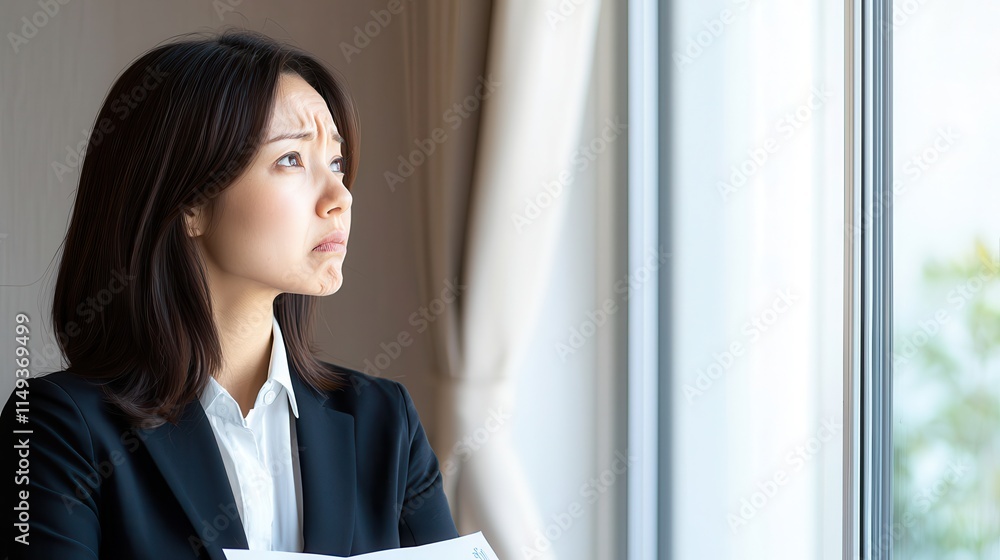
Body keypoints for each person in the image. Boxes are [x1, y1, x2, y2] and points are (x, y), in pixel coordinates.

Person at [2, 29, 458, 560]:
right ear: (190, 202)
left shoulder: (386, 423)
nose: (340, 196)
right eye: (291, 159)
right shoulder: (54, 428)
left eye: (336, 162)